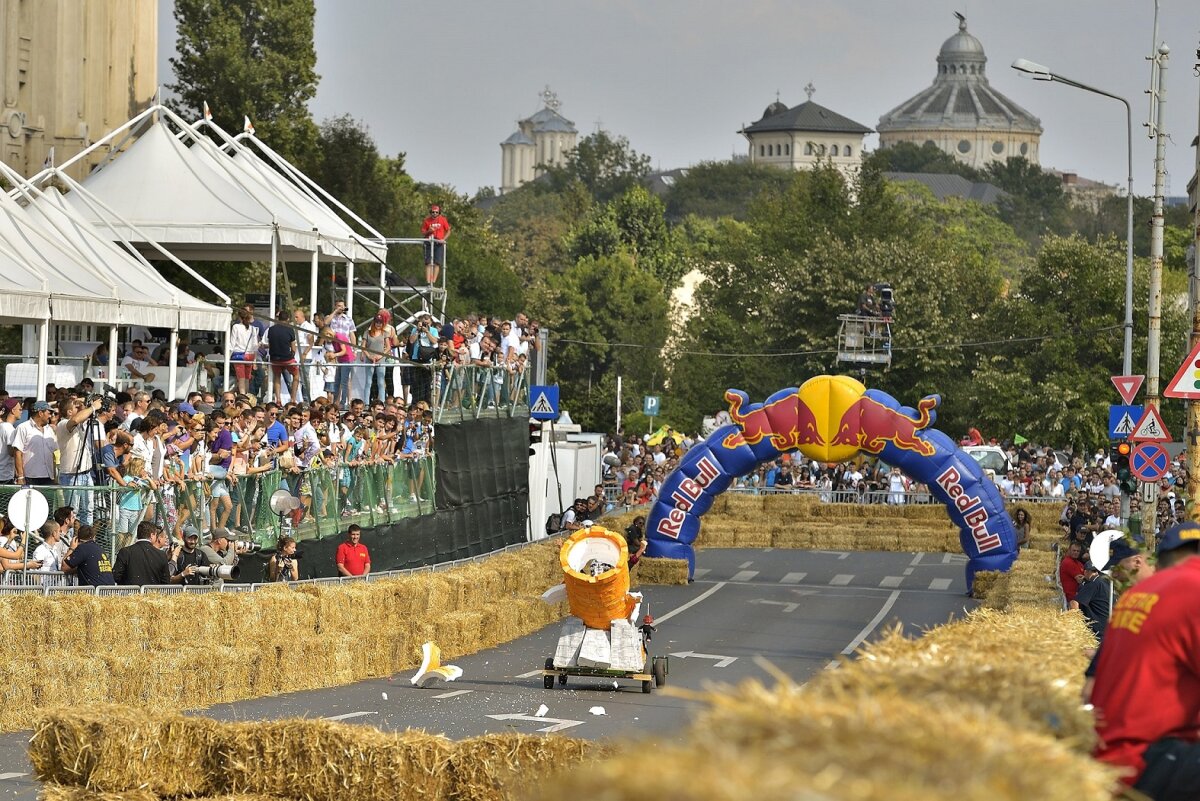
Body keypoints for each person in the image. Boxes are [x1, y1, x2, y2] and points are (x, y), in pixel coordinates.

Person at [1090, 522, 1200, 797]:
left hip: (1113, 756)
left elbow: (1087, 690)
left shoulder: (1134, 596)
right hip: (1147, 761)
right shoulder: (1193, 588)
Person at [112, 521, 173, 586]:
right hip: (152, 594)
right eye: (155, 535)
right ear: (152, 535)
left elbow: (115, 576)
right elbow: (166, 582)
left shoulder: (125, 552)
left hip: (129, 594)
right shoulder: (161, 554)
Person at [13, 400, 58, 485]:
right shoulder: (23, 428)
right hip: (30, 477)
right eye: (49, 412)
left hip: (48, 477)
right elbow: (17, 452)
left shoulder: (50, 430)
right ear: (40, 413)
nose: (51, 416)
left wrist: (54, 477)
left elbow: (52, 454)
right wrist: (20, 476)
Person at [1069, 561, 1110, 639]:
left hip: (1097, 633)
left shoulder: (1093, 584)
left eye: (1096, 571)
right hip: (1109, 630)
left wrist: (1077, 626)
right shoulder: (1105, 582)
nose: (1095, 573)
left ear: (1085, 572)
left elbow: (1074, 603)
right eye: (1093, 571)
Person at [266, 308, 299, 403]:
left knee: (277, 376)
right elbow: (293, 347)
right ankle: (293, 398)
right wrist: (292, 356)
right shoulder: (290, 329)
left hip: (274, 358)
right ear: (288, 319)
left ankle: (278, 399)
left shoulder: (271, 330)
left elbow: (270, 344)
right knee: (296, 376)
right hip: (287, 358)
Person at [420, 203, 451, 285]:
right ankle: (428, 281)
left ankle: (433, 281)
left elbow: (448, 231)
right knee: (428, 262)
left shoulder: (443, 219)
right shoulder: (427, 220)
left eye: (436, 212)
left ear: (439, 213)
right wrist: (429, 231)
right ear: (430, 212)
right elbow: (423, 232)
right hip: (429, 242)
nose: (434, 214)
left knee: (437, 262)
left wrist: (443, 239)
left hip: (439, 242)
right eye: (433, 212)